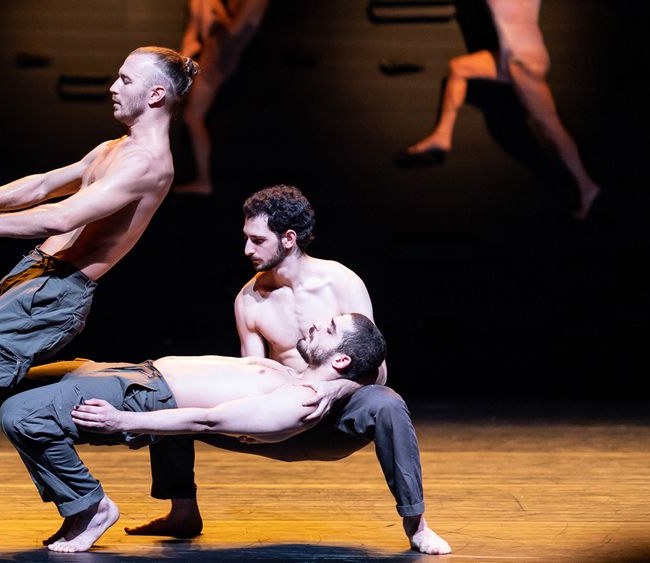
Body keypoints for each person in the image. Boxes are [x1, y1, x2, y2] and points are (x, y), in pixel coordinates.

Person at [0, 46, 200, 553]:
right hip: (33, 277)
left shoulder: (149, 164)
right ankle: (81, 504)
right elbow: (42, 185)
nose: (113, 85)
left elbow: (62, 217)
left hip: (54, 292)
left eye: (125, 79)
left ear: (155, 94)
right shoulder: (114, 148)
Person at [130, 185, 452, 554]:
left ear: (288, 238)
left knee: (387, 402)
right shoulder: (249, 300)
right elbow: (247, 373)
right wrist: (253, 416)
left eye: (257, 240)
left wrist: (334, 389)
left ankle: (417, 525)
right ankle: (183, 512)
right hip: (279, 421)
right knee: (172, 394)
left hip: (334, 419)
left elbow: (375, 368)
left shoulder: (341, 282)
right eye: (246, 239)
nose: (247, 250)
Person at [0, 313, 386, 553]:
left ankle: (89, 506)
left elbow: (205, 421)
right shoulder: (296, 374)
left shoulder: (298, 403)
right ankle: (150, 513)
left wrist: (124, 421)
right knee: (7, 378)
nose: (318, 324)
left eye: (331, 328)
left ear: (341, 359)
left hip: (143, 395)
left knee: (20, 414)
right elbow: (367, 374)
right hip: (135, 371)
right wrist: (344, 385)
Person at [404, 0, 600, 220]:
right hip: (512, 57)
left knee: (551, 129)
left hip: (522, 61)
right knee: (459, 68)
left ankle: (586, 185)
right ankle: (442, 135)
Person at [172, 0, 270, 196]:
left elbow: (234, 30)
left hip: (219, 58)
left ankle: (203, 180)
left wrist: (216, 8)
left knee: (193, 117)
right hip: (214, 48)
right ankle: (185, 57)